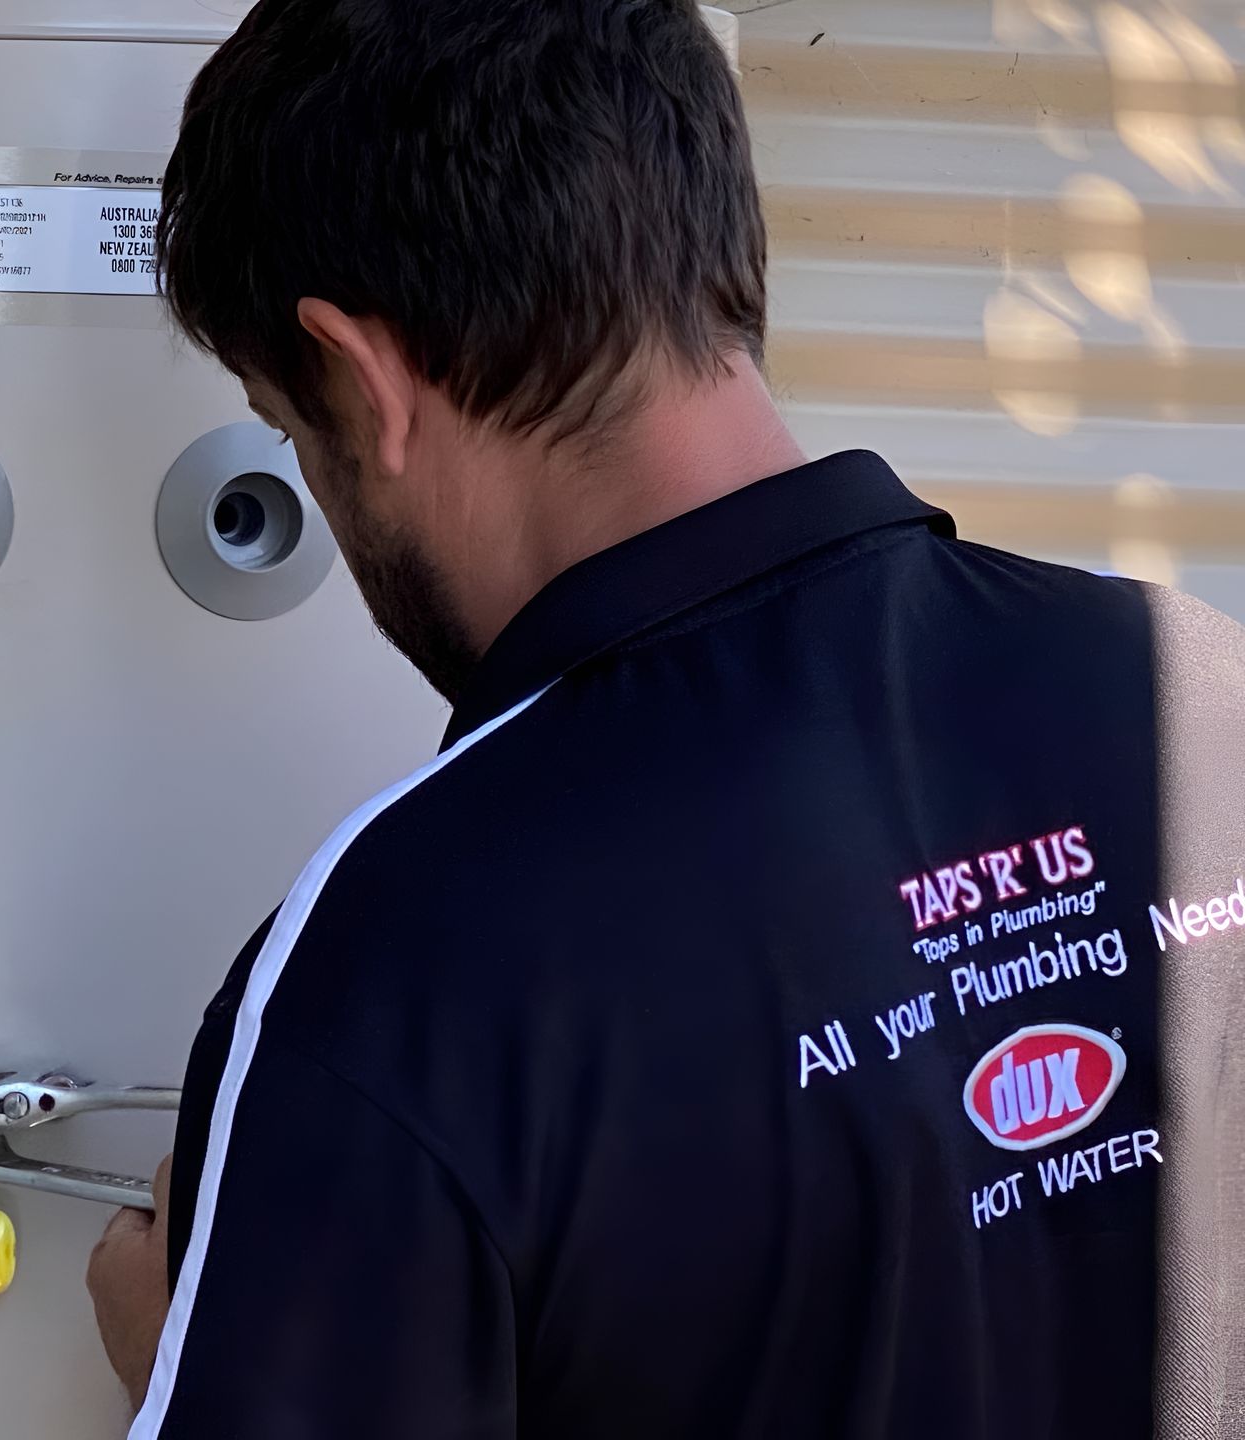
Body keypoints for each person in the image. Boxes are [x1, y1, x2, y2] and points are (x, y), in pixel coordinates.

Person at [86, 1, 1245, 1435]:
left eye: (288, 424)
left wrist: (187, 1373)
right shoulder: (1201, 691)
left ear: (363, 380)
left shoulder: (407, 963)